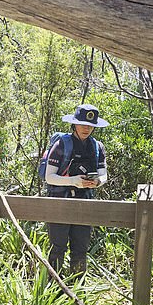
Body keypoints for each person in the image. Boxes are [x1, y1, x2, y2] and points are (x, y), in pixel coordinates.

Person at [45, 104, 108, 275]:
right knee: (58, 247)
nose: (86, 128)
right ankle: (53, 290)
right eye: (82, 124)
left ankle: (77, 290)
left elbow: (104, 175)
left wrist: (97, 182)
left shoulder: (97, 147)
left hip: (84, 201)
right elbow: (49, 177)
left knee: (81, 248)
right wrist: (73, 181)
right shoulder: (61, 145)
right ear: (74, 124)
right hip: (60, 201)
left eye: (90, 125)